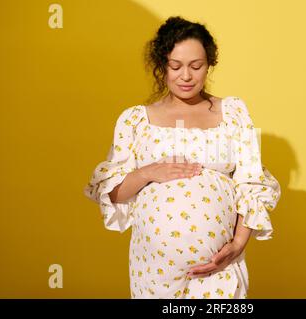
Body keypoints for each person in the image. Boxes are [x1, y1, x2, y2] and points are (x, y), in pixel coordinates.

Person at [83, 16, 281, 299]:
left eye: (196, 66)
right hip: (154, 273)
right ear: (161, 66)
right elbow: (110, 193)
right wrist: (147, 172)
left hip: (219, 269)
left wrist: (238, 245)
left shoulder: (234, 113)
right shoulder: (135, 121)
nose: (186, 76)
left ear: (209, 64)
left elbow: (251, 182)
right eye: (175, 66)